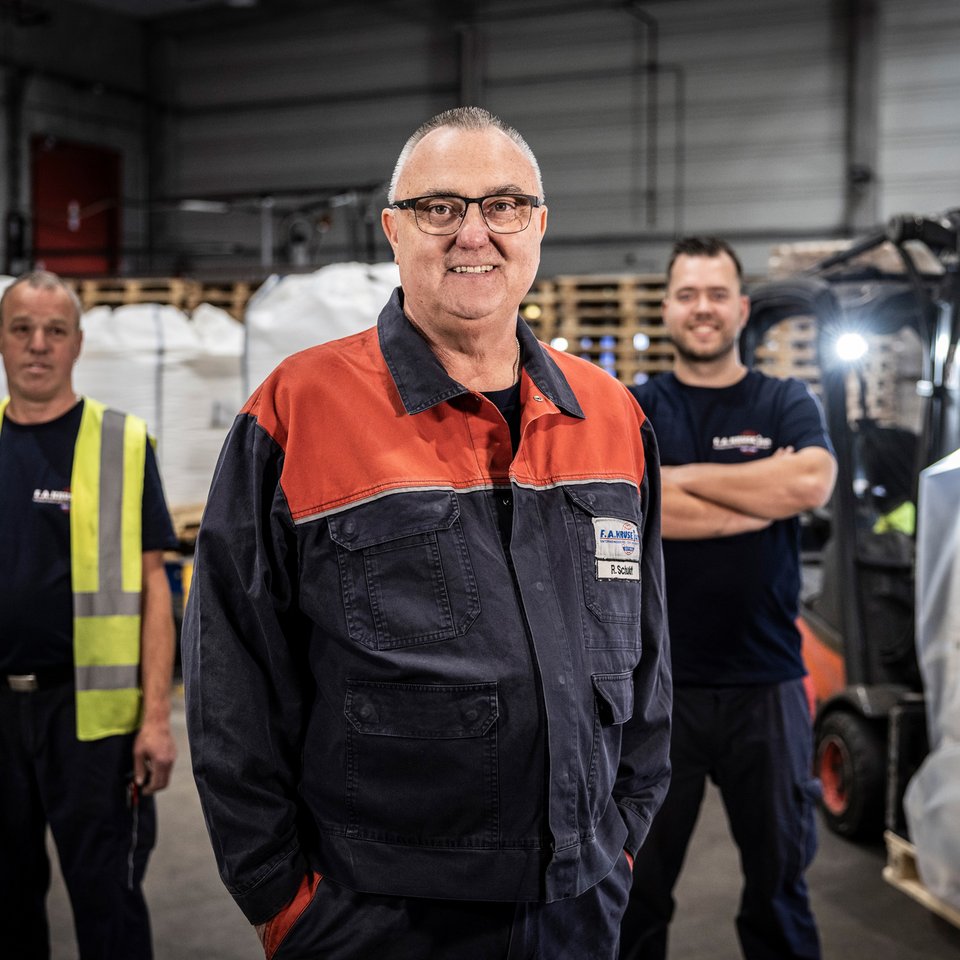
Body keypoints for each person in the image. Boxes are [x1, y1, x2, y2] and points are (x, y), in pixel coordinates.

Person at [182, 106, 672, 960]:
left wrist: (622, 834)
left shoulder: (611, 416)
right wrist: (280, 897)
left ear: (539, 228)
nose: (473, 233)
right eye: (440, 207)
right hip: (378, 916)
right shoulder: (299, 409)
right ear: (394, 230)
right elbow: (232, 673)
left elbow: (651, 655)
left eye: (504, 205)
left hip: (578, 900)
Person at [619, 237, 837, 960]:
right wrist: (754, 495)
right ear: (668, 308)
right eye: (688, 294)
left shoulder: (785, 399)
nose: (702, 309)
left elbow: (809, 484)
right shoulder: (637, 406)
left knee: (779, 885)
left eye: (717, 294)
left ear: (741, 308)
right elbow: (635, 507)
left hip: (767, 686)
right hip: (657, 690)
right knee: (635, 890)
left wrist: (678, 479)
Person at [0, 271, 178, 960]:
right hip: (0, 720)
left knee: (107, 905)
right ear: (4, 341)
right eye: (22, 329)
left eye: (54, 331)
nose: (37, 345)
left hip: (94, 722)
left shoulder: (121, 442)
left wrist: (157, 719)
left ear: (78, 343)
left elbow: (154, 587)